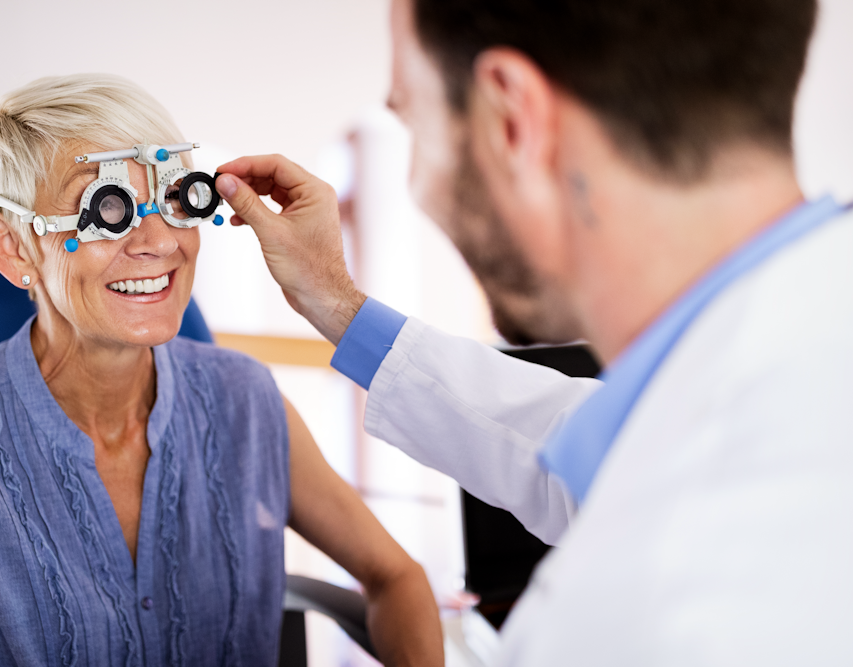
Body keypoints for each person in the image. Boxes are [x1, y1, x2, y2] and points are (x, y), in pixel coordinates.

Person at [210, 0, 853, 664]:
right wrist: (340, 307)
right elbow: (575, 443)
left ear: (511, 118)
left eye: (412, 121)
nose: (419, 182)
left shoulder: (648, 614)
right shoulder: (789, 372)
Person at [0, 74, 443, 667]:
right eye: (107, 208)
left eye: (180, 198)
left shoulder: (244, 399)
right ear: (13, 248)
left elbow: (397, 578)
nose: (161, 242)